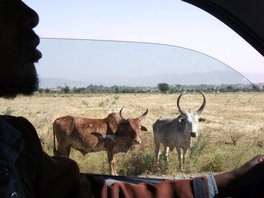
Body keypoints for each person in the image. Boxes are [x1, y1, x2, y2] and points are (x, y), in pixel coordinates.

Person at [1, 1, 264, 197]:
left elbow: (96, 194)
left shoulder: (19, 141)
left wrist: (217, 183)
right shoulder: (19, 140)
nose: (31, 15)